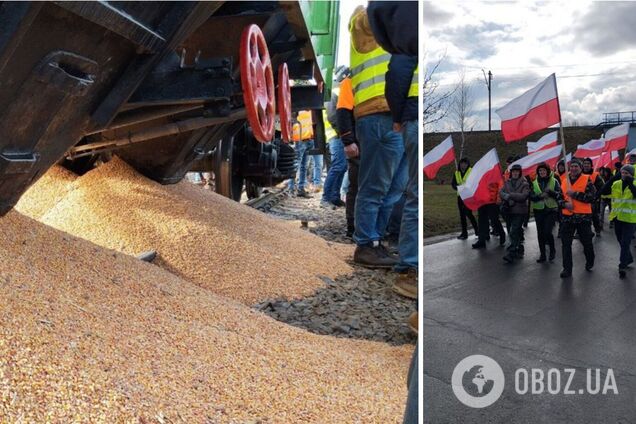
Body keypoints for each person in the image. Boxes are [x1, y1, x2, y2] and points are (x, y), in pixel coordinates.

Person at [348, 6, 407, 268]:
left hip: (401, 116)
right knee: (375, 186)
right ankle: (365, 244)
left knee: (393, 189)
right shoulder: (363, 18)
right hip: (377, 113)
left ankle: (376, 242)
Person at [559, 158, 596, 278]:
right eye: (572, 166)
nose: (574, 169)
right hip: (567, 218)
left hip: (583, 218)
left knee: (587, 243)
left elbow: (592, 197)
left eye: (576, 167)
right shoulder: (564, 181)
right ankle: (567, 269)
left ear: (580, 168)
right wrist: (564, 204)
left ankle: (590, 260)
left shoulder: (587, 179)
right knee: (566, 244)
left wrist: (574, 195)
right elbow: (559, 197)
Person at [601, 164, 636, 278]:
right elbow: (605, 191)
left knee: (625, 242)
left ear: (632, 174)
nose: (624, 175)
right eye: (622, 173)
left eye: (627, 173)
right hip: (617, 218)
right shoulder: (617, 183)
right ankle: (628, 258)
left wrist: (630, 183)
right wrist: (613, 178)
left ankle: (622, 265)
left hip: (630, 219)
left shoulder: (634, 183)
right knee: (620, 240)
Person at [336, 74, 359, 238]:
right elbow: (342, 112)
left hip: (367, 141)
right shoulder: (349, 82)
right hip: (358, 143)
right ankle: (352, 226)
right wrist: (348, 140)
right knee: (356, 185)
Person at [530, 163, 562, 262]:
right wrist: (540, 196)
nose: (542, 172)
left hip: (551, 210)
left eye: (543, 170)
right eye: (540, 171)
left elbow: (560, 194)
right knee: (540, 233)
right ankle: (543, 255)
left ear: (547, 171)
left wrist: (551, 193)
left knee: (547, 232)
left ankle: (552, 250)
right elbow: (531, 196)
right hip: (538, 210)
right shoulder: (534, 182)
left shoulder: (554, 181)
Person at [499, 164, 529, 263]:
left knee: (514, 230)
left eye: (517, 171)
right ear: (511, 172)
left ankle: (511, 253)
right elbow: (501, 192)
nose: (515, 173)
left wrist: (511, 195)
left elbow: (523, 196)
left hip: (520, 211)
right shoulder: (507, 182)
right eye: (513, 171)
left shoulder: (525, 183)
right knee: (512, 230)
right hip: (509, 211)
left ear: (520, 172)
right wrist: (507, 197)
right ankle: (519, 247)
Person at [321, 95, 347, 208]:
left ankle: (334, 197)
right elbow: (332, 115)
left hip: (338, 134)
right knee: (338, 166)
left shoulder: (336, 92)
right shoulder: (335, 92)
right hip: (336, 135)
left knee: (342, 166)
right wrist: (342, 131)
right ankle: (325, 198)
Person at [288, 110, 315, 198]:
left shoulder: (310, 107)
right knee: (296, 165)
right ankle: (291, 188)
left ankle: (300, 188)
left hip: (308, 138)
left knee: (304, 166)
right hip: (299, 140)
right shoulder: (299, 106)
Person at [472, 180, 506, 249]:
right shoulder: (479, 171)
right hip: (482, 200)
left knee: (494, 219)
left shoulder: (493, 170)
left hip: (492, 200)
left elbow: (500, 184)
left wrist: (499, 197)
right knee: (481, 221)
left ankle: (502, 234)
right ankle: (481, 240)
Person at [452, 158, 479, 239]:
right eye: (461, 164)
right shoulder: (456, 173)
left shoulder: (471, 171)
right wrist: (457, 187)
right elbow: (453, 183)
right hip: (460, 196)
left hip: (468, 196)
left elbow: (475, 182)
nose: (463, 165)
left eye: (465, 164)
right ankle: (464, 233)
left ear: (467, 164)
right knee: (462, 215)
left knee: (468, 214)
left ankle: (477, 231)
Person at [582, 157, 605, 235]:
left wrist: (596, 197)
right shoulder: (579, 174)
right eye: (585, 163)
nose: (586, 165)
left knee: (594, 216)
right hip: (581, 199)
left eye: (588, 164)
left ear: (591, 165)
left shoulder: (595, 175)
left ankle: (597, 229)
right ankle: (582, 232)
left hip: (593, 201)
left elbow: (601, 188)